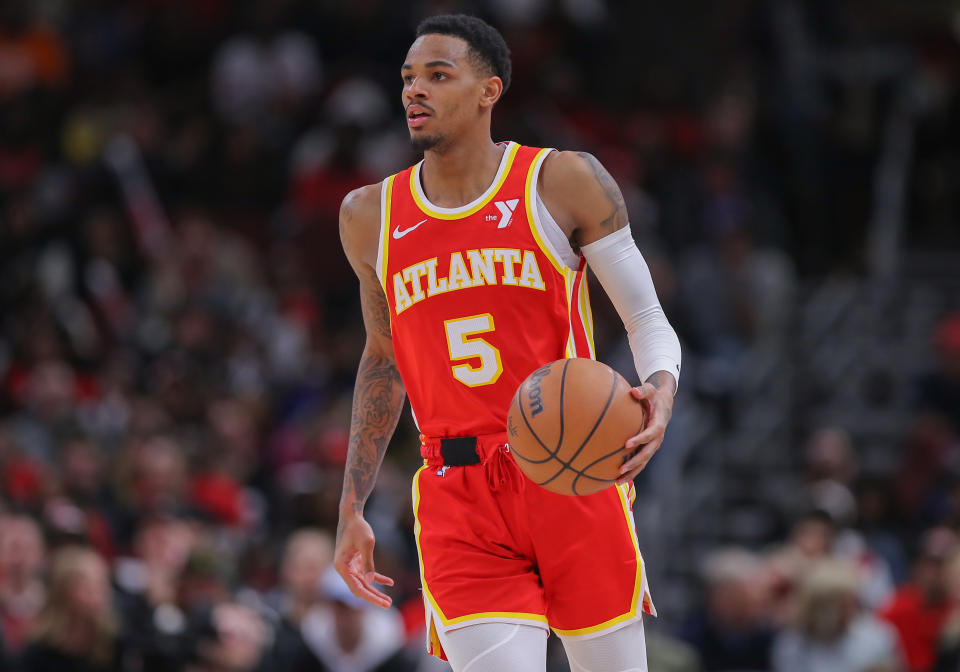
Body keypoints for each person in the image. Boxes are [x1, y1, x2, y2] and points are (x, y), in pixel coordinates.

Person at [334, 14, 681, 672]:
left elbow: (645, 316)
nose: (416, 91)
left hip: (573, 476)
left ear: (489, 90)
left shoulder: (562, 181)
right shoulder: (368, 215)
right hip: (456, 490)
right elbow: (383, 360)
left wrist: (660, 391)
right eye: (409, 78)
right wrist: (351, 506)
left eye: (438, 76)